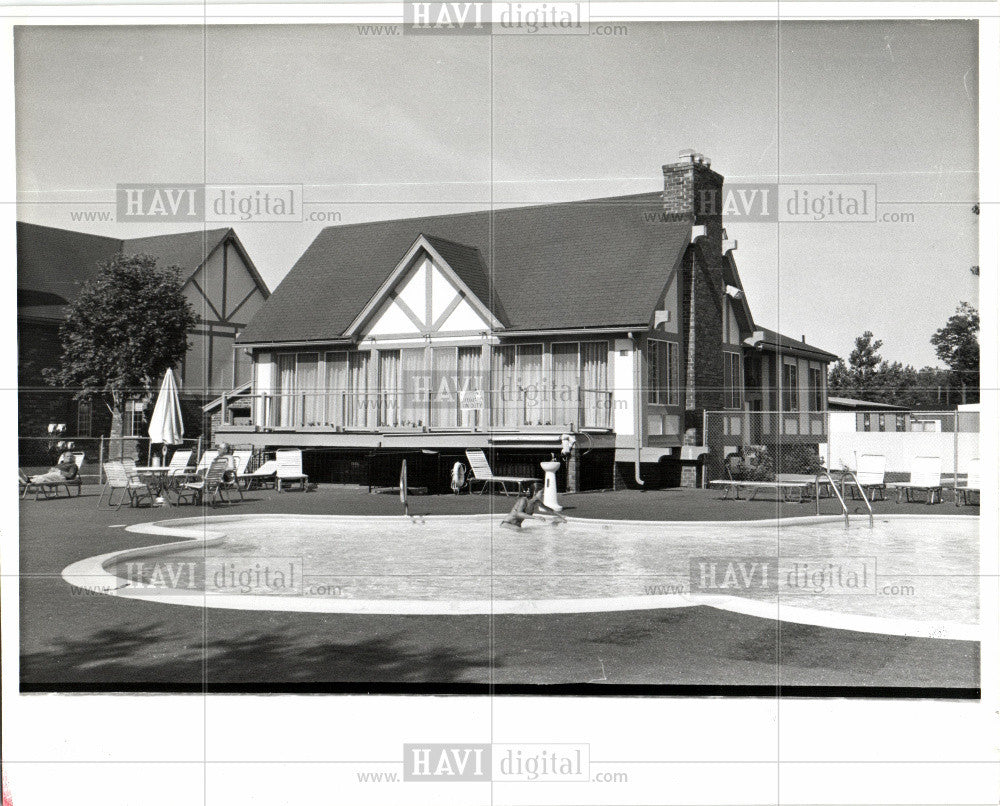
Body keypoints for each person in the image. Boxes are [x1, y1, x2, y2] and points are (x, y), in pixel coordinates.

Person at [500, 481, 566, 530]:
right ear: (535, 492)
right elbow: (519, 514)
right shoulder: (524, 500)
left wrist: (560, 515)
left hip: (517, 527)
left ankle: (556, 522)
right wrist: (536, 517)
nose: (543, 495)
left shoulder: (536, 502)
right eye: (541, 493)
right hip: (507, 524)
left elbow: (548, 509)